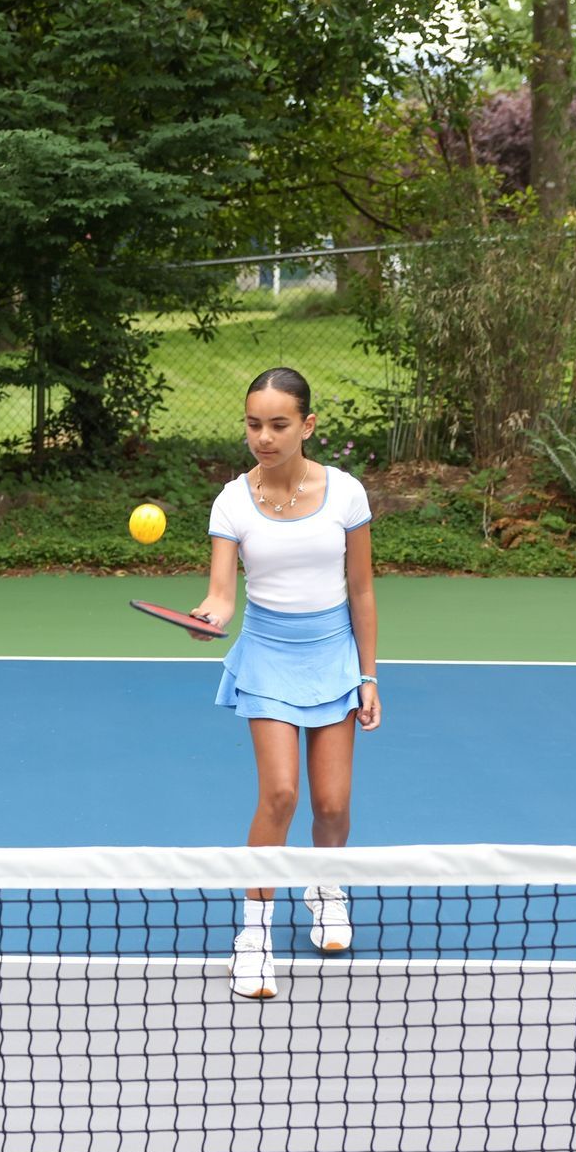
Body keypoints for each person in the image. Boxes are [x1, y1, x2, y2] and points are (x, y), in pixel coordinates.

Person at [190, 366, 380, 1000]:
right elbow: (222, 596)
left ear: (307, 425)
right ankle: (252, 937)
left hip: (333, 656)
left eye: (277, 424)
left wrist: (369, 674)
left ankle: (326, 885)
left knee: (332, 805)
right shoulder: (231, 501)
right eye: (253, 425)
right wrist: (208, 620)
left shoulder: (347, 493)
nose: (264, 437)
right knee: (280, 794)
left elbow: (362, 591)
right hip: (268, 655)